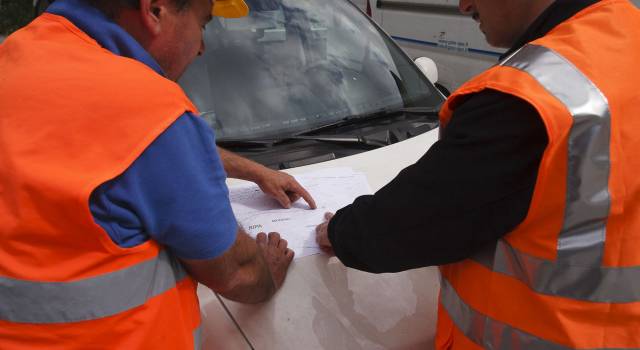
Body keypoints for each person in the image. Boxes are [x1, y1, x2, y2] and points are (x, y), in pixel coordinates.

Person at [316, 0, 640, 348]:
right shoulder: (625, 30)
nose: (463, 5)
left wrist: (339, 231)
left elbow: (418, 218)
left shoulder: (529, 99)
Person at [0, 0, 316, 348]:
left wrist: (252, 170)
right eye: (203, 23)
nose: (201, 48)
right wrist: (268, 270)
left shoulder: (19, 52)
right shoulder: (150, 108)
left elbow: (105, 144)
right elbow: (238, 273)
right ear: (155, 11)